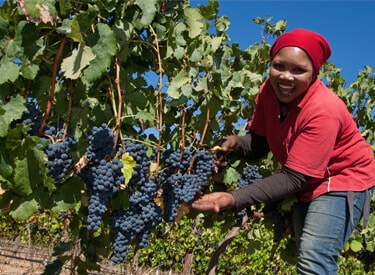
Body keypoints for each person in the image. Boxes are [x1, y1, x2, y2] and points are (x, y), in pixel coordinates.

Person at [190, 28, 375, 274]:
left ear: (314, 73)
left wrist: (234, 198)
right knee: (304, 249)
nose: (286, 77)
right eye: (279, 66)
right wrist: (234, 142)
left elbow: (294, 177)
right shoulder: (269, 91)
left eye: (299, 70)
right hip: (308, 178)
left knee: (313, 260)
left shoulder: (324, 111)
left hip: (344, 178)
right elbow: (259, 144)